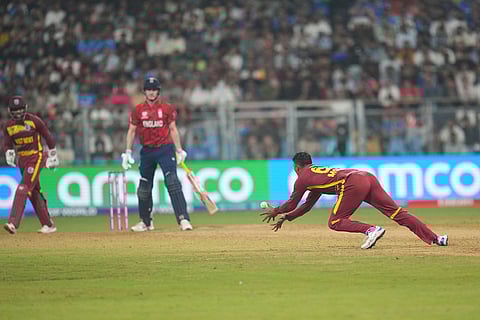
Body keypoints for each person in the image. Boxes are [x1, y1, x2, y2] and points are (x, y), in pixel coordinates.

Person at [260, 152, 448, 249]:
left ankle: (371, 230)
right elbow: (307, 205)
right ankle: (436, 239)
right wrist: (288, 218)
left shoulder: (302, 178)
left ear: (297, 167)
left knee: (335, 222)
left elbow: (292, 203)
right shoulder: (315, 175)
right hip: (365, 176)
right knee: (398, 213)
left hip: (352, 182)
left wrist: (276, 211)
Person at [121, 77, 193, 232]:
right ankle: (146, 222)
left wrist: (179, 149)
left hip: (165, 149)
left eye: (154, 90)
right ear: (145, 91)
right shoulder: (138, 110)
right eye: (149, 89)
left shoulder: (167, 108)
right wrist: (127, 151)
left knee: (172, 182)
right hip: (147, 151)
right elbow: (132, 131)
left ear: (158, 91)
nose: (151, 92)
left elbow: (173, 129)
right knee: (144, 187)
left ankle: (183, 219)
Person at [3, 96, 59, 234]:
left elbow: (48, 136)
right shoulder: (9, 126)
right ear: (10, 111)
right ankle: (48, 224)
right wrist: (8, 152)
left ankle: (13, 223)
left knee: (23, 188)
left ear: (25, 109)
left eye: (20, 110)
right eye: (15, 111)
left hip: (36, 156)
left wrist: (53, 154)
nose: (18, 113)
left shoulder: (34, 121)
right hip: (22, 160)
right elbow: (7, 143)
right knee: (33, 192)